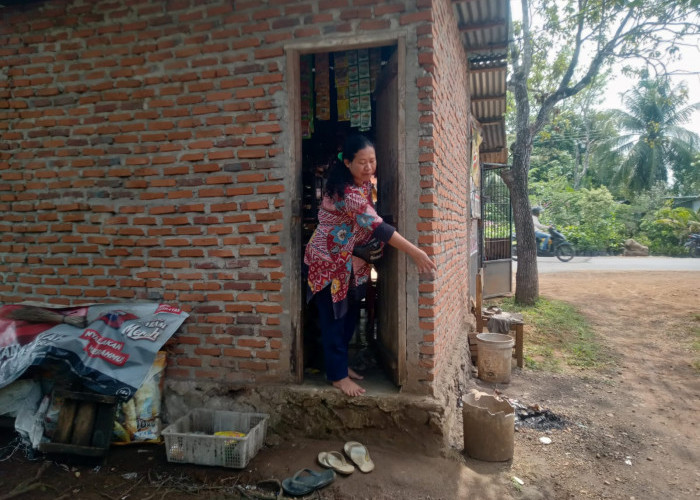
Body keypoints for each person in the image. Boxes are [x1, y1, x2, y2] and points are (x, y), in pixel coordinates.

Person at [304, 135, 437, 397]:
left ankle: (340, 365)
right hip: (328, 263)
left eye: (372, 161)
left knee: (350, 314)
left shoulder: (363, 186)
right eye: (362, 162)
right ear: (347, 163)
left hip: (351, 262)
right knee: (334, 319)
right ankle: (338, 376)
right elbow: (376, 225)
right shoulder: (347, 193)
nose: (368, 167)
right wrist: (415, 252)